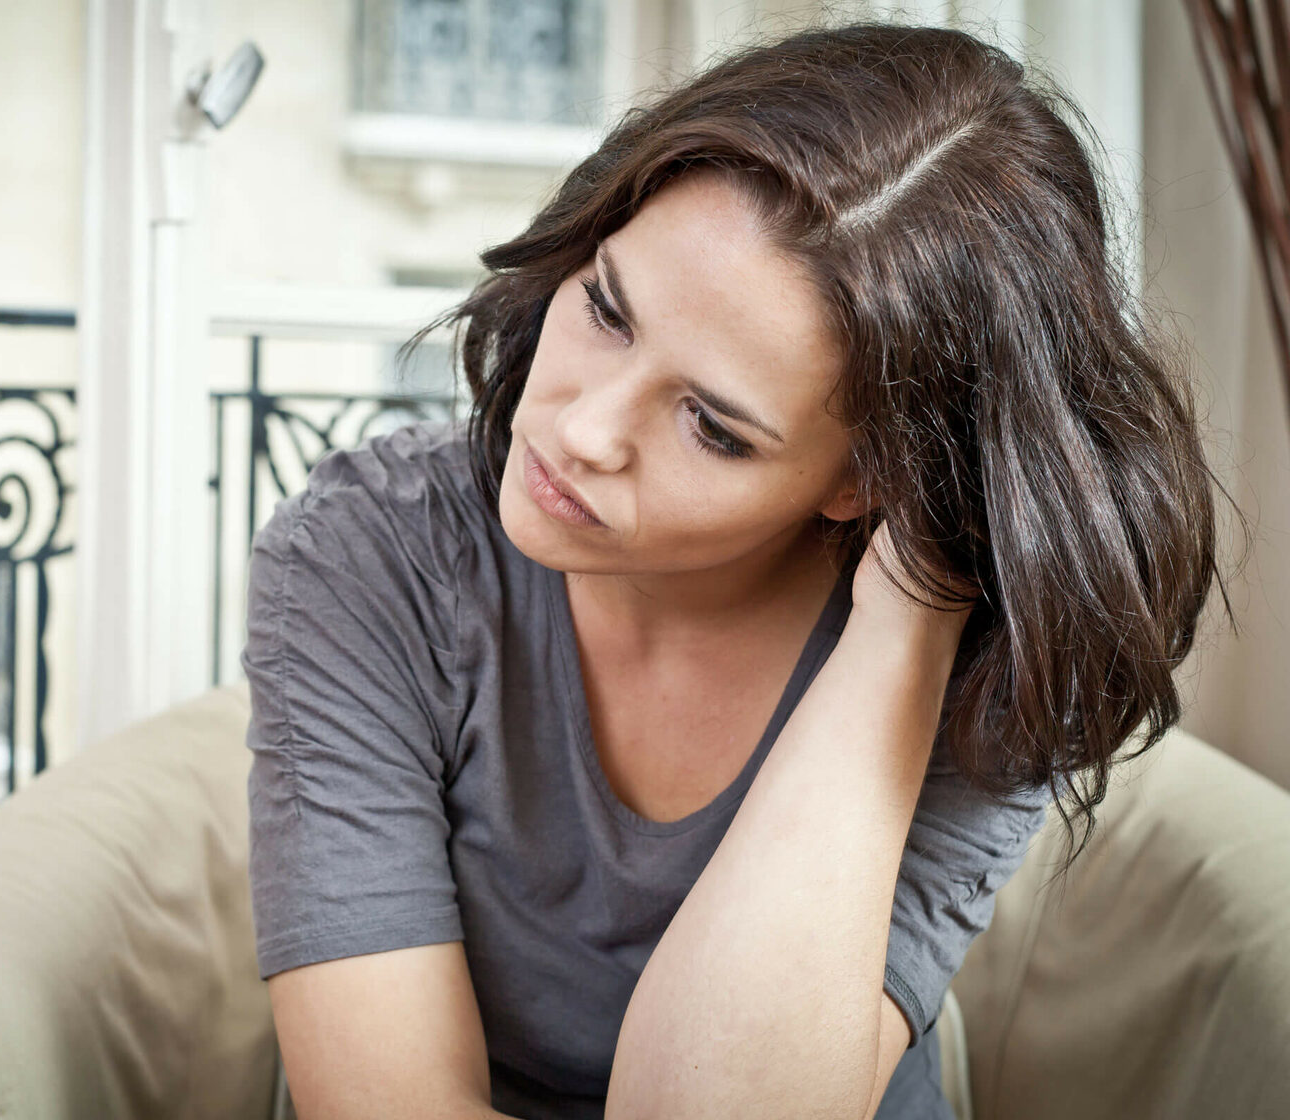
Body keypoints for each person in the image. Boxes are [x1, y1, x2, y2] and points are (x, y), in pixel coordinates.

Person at [241, 21, 1230, 1120]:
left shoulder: (1005, 660)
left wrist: (903, 630)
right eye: (607, 308)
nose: (584, 431)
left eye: (712, 427)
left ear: (868, 482)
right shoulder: (373, 553)